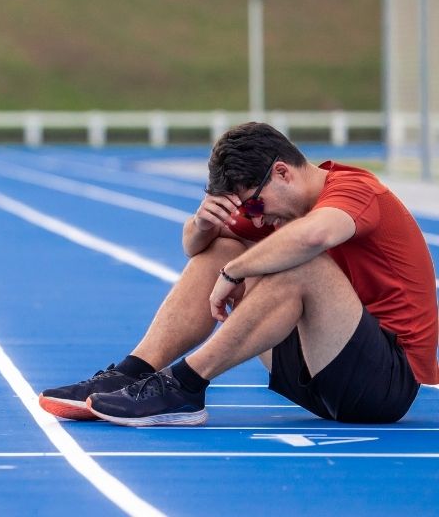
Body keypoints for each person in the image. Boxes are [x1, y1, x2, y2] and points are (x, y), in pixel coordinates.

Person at [38, 122, 438, 426]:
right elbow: (195, 248)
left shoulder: (356, 190)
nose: (254, 217)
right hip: (316, 373)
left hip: (386, 383)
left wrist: (236, 272)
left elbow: (316, 235)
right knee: (225, 247)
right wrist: (203, 224)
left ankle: (184, 387)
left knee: (301, 262)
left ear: (282, 172)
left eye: (255, 205)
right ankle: (132, 373)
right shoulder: (277, 206)